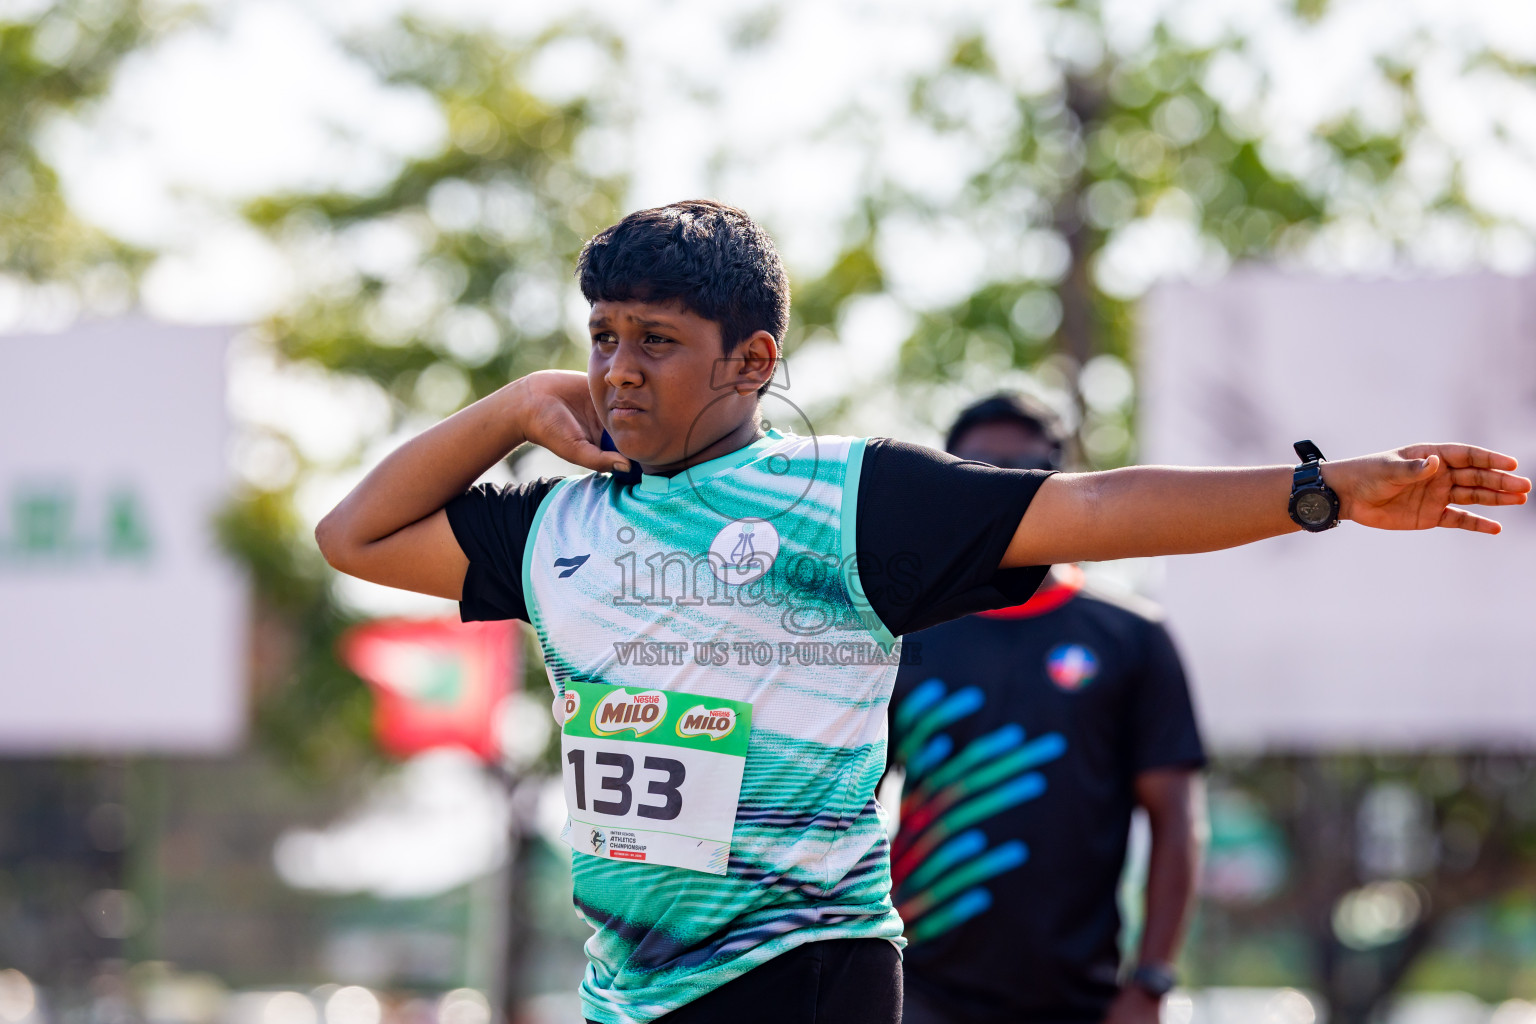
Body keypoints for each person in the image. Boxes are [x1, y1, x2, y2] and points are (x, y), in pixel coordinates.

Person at [313, 199, 1528, 1024]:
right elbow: (353, 535)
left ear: (750, 360)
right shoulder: (561, 524)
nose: (619, 369)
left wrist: (1320, 493)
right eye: (602, 338)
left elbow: (1097, 508)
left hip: (806, 965)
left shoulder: (842, 498)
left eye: (658, 343)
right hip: (629, 987)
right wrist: (516, 403)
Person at [889, 392, 1205, 1024]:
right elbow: (848, 801)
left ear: (1060, 484)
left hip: (1080, 998)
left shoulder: (1131, 635)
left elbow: (1176, 821)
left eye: (1029, 473)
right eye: (984, 474)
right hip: (915, 989)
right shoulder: (900, 631)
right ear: (952, 486)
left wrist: (1150, 983)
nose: (1007, 490)